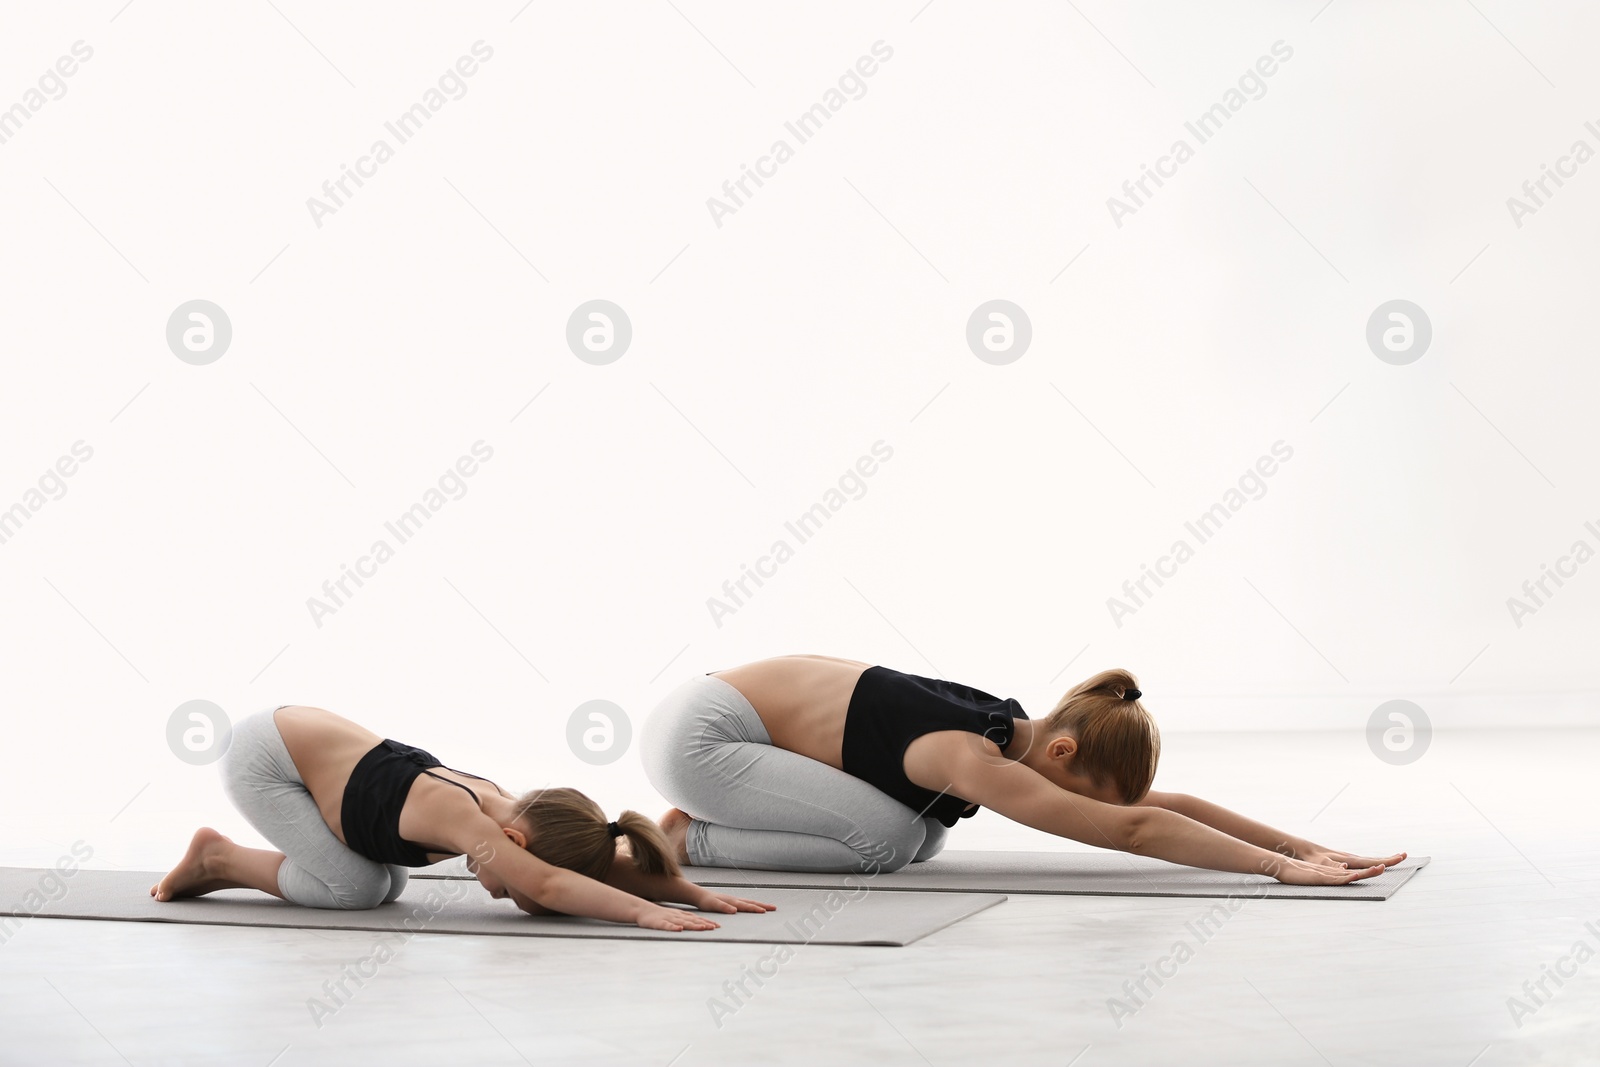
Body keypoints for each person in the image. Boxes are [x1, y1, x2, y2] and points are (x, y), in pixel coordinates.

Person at [642, 655, 1405, 884]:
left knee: (918, 838)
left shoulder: (1017, 733)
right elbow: (1133, 829)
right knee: (885, 840)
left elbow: (1158, 803)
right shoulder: (967, 750)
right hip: (701, 741)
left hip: (724, 724)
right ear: (1065, 754)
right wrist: (1275, 870)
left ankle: (702, 831)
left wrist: (1302, 846)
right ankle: (686, 840)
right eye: (1084, 791)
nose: (1082, 808)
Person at [151, 704, 774, 930]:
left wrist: (686, 891)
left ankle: (224, 857)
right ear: (512, 840)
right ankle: (218, 857)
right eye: (521, 872)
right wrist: (643, 913)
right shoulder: (470, 822)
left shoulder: (513, 811)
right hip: (267, 758)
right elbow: (552, 881)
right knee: (358, 888)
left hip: (312, 748)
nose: (525, 898)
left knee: (390, 884)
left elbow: (591, 864)